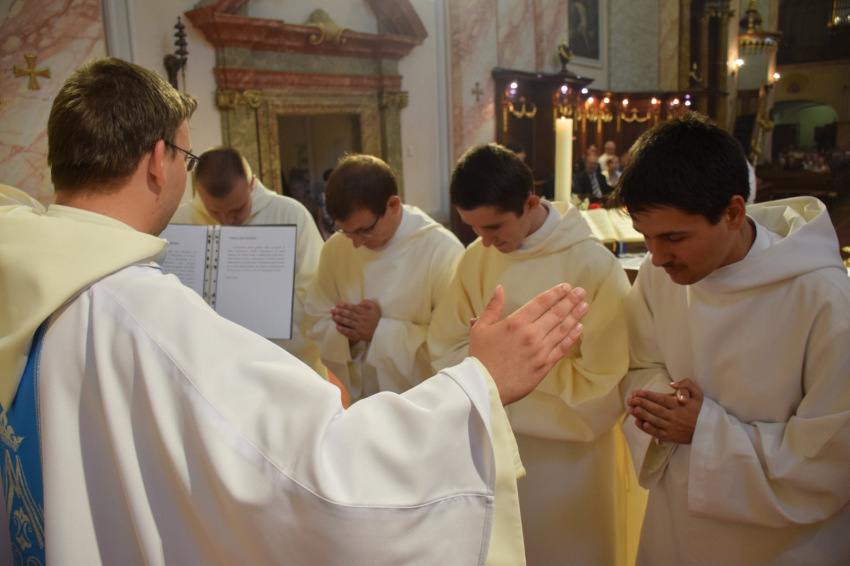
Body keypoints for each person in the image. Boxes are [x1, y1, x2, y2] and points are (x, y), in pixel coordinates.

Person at [0, 57, 592, 565]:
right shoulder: (143, 316)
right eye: (186, 154)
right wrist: (480, 384)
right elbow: (323, 476)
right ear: (160, 160)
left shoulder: (24, 272)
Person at [613, 113, 850, 565]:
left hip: (780, 542)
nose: (657, 258)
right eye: (646, 238)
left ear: (734, 212)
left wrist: (704, 431)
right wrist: (666, 407)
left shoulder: (823, 299)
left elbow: (833, 456)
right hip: (677, 517)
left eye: (674, 237)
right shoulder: (658, 275)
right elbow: (640, 362)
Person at [429, 143, 636, 565]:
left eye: (494, 227)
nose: (486, 242)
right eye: (474, 228)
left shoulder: (592, 265)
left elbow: (607, 378)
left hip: (568, 462)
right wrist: (493, 365)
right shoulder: (475, 259)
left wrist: (517, 367)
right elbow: (444, 345)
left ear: (529, 203)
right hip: (493, 449)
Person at [304, 154, 465, 403]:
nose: (356, 244)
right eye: (346, 232)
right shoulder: (336, 247)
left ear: (393, 205)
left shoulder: (441, 250)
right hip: (361, 404)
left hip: (423, 405)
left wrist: (379, 332)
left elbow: (453, 345)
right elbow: (315, 318)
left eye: (364, 230)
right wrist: (348, 336)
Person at [170, 146, 327, 377]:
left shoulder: (290, 214)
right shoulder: (178, 221)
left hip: (283, 360)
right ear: (199, 193)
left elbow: (315, 290)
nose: (227, 220)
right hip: (211, 362)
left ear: (251, 184)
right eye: (215, 212)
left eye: (237, 208)